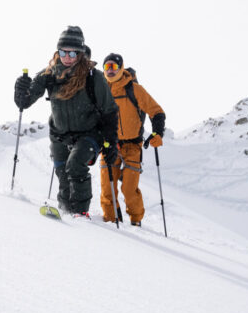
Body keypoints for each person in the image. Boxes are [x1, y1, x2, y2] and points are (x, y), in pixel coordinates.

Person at [13, 26, 119, 216]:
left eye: (72, 52)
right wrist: (20, 90)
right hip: (59, 134)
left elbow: (110, 111)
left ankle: (80, 213)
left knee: (75, 166)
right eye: (63, 52)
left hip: (89, 134)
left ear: (80, 53)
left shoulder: (94, 77)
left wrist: (111, 142)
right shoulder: (48, 74)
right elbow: (25, 101)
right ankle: (65, 215)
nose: (67, 57)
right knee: (62, 174)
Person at [98, 53, 166, 226]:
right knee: (107, 189)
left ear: (121, 68)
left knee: (129, 189)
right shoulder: (100, 90)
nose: (110, 71)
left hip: (132, 147)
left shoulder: (134, 89)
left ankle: (136, 220)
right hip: (109, 145)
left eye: (114, 67)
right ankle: (110, 221)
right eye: (107, 67)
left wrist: (157, 133)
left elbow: (156, 111)